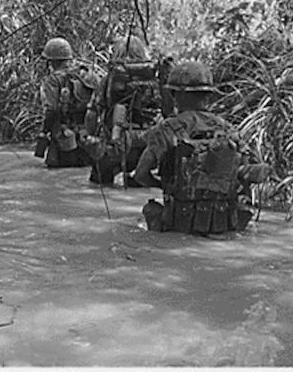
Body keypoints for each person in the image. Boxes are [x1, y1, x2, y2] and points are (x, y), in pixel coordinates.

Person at [133, 61, 269, 235]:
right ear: (208, 95)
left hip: (178, 223)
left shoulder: (166, 129)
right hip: (223, 223)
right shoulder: (228, 129)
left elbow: (140, 175)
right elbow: (252, 171)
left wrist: (167, 186)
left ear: (177, 95)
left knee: (150, 209)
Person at [84, 35, 169, 187]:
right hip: (150, 147)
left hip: (116, 146)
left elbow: (92, 113)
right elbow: (169, 112)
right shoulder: (155, 82)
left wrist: (90, 137)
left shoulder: (109, 79)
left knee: (97, 184)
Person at [37, 37, 97, 168]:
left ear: (51, 61)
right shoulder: (87, 74)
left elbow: (51, 109)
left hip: (64, 141)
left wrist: (44, 131)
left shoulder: (54, 80)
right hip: (89, 139)